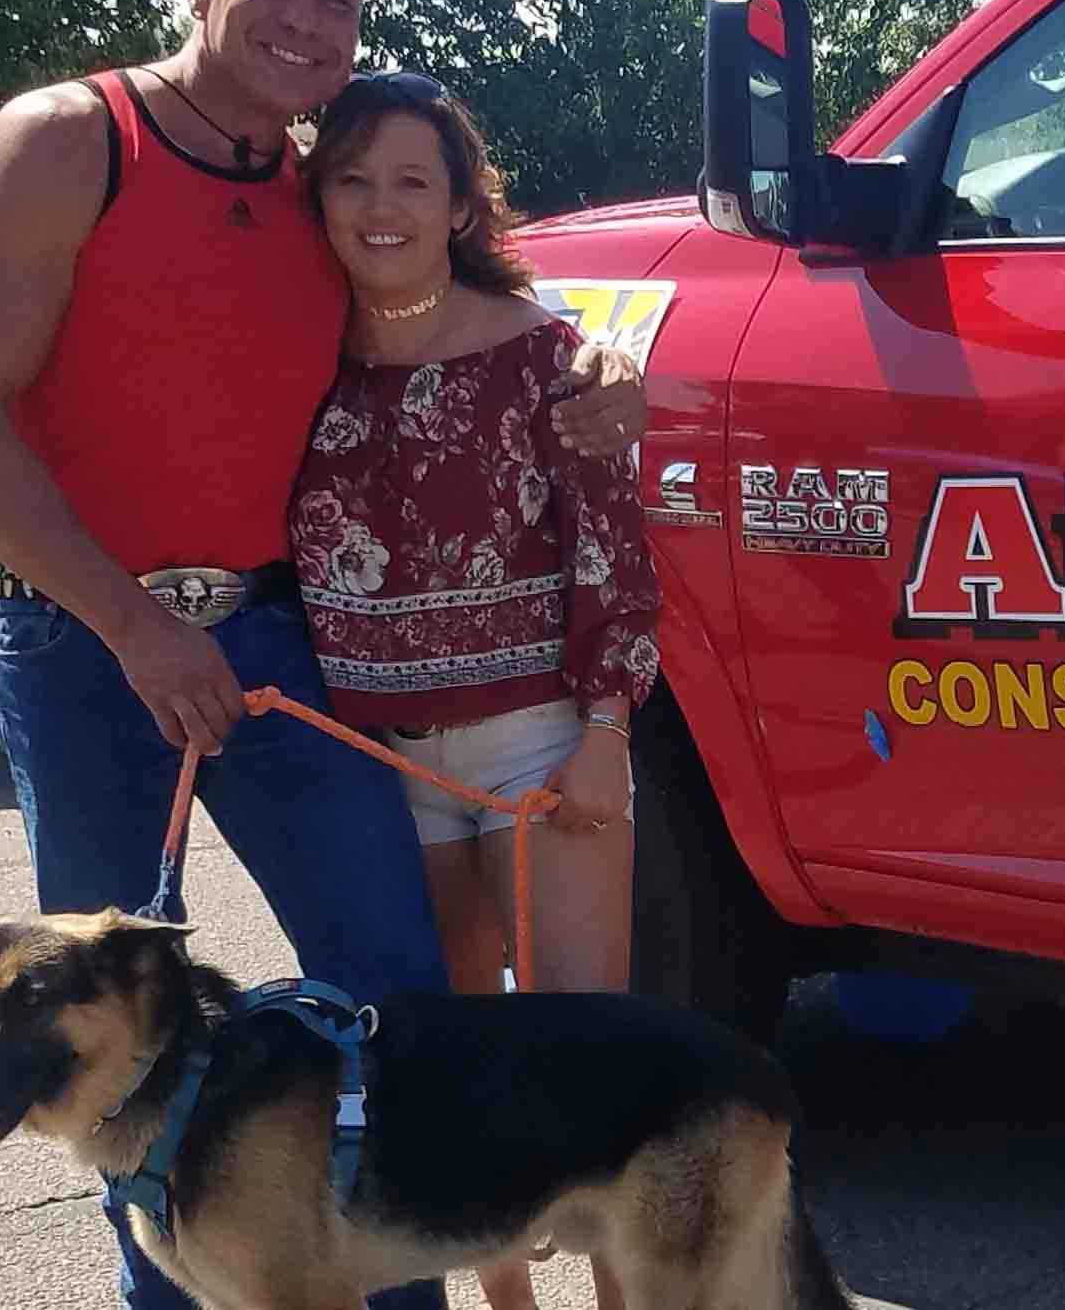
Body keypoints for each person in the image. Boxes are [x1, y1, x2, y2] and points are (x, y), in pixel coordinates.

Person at [0, 0, 645, 1310]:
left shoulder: (315, 185)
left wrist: (597, 352)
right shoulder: (72, 137)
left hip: (275, 637)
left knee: (393, 1002)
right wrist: (131, 628)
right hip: (81, 649)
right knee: (120, 1044)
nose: (309, 20)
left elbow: (439, 265)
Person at [293, 73, 661, 1310]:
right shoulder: (288, 362)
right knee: (448, 1068)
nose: (381, 206)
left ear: (459, 203)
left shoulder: (549, 358)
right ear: (321, 194)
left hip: (539, 745)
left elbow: (613, 547)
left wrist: (608, 726)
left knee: (580, 1058)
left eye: (413, 179)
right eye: (353, 178)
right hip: (382, 767)